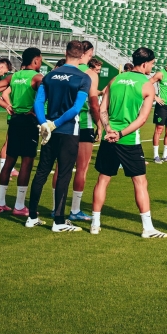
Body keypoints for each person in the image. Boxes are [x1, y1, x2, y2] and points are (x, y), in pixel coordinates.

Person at [90, 47, 167, 238]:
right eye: (151, 64)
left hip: (109, 138)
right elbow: (141, 119)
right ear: (144, 64)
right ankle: (148, 228)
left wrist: (109, 129)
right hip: (128, 140)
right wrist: (120, 133)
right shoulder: (146, 85)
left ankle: (95, 224)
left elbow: (102, 109)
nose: (152, 67)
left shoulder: (115, 79)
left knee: (103, 180)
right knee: (140, 182)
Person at [25, 41, 93, 232]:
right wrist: (54, 124)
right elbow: (76, 109)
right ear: (81, 56)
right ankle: (59, 221)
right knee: (63, 174)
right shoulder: (83, 78)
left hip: (49, 130)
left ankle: (31, 217)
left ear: (65, 53)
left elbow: (39, 102)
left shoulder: (50, 75)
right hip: (68, 130)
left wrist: (44, 123)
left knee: (41, 172)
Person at [0, 47, 44, 214]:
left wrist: (6, 105)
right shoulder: (37, 77)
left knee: (9, 161)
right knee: (27, 162)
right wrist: (35, 109)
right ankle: (19, 205)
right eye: (40, 59)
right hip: (29, 121)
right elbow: (44, 93)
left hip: (14, 120)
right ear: (35, 60)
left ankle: (0, 203)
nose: (40, 62)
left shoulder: (14, 76)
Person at [69, 48, 101, 221]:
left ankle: (55, 208)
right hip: (83, 122)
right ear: (84, 54)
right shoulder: (90, 74)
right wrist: (100, 125)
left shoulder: (63, 70)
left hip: (64, 123)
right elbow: (94, 105)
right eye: (90, 54)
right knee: (82, 168)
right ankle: (74, 210)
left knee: (61, 167)